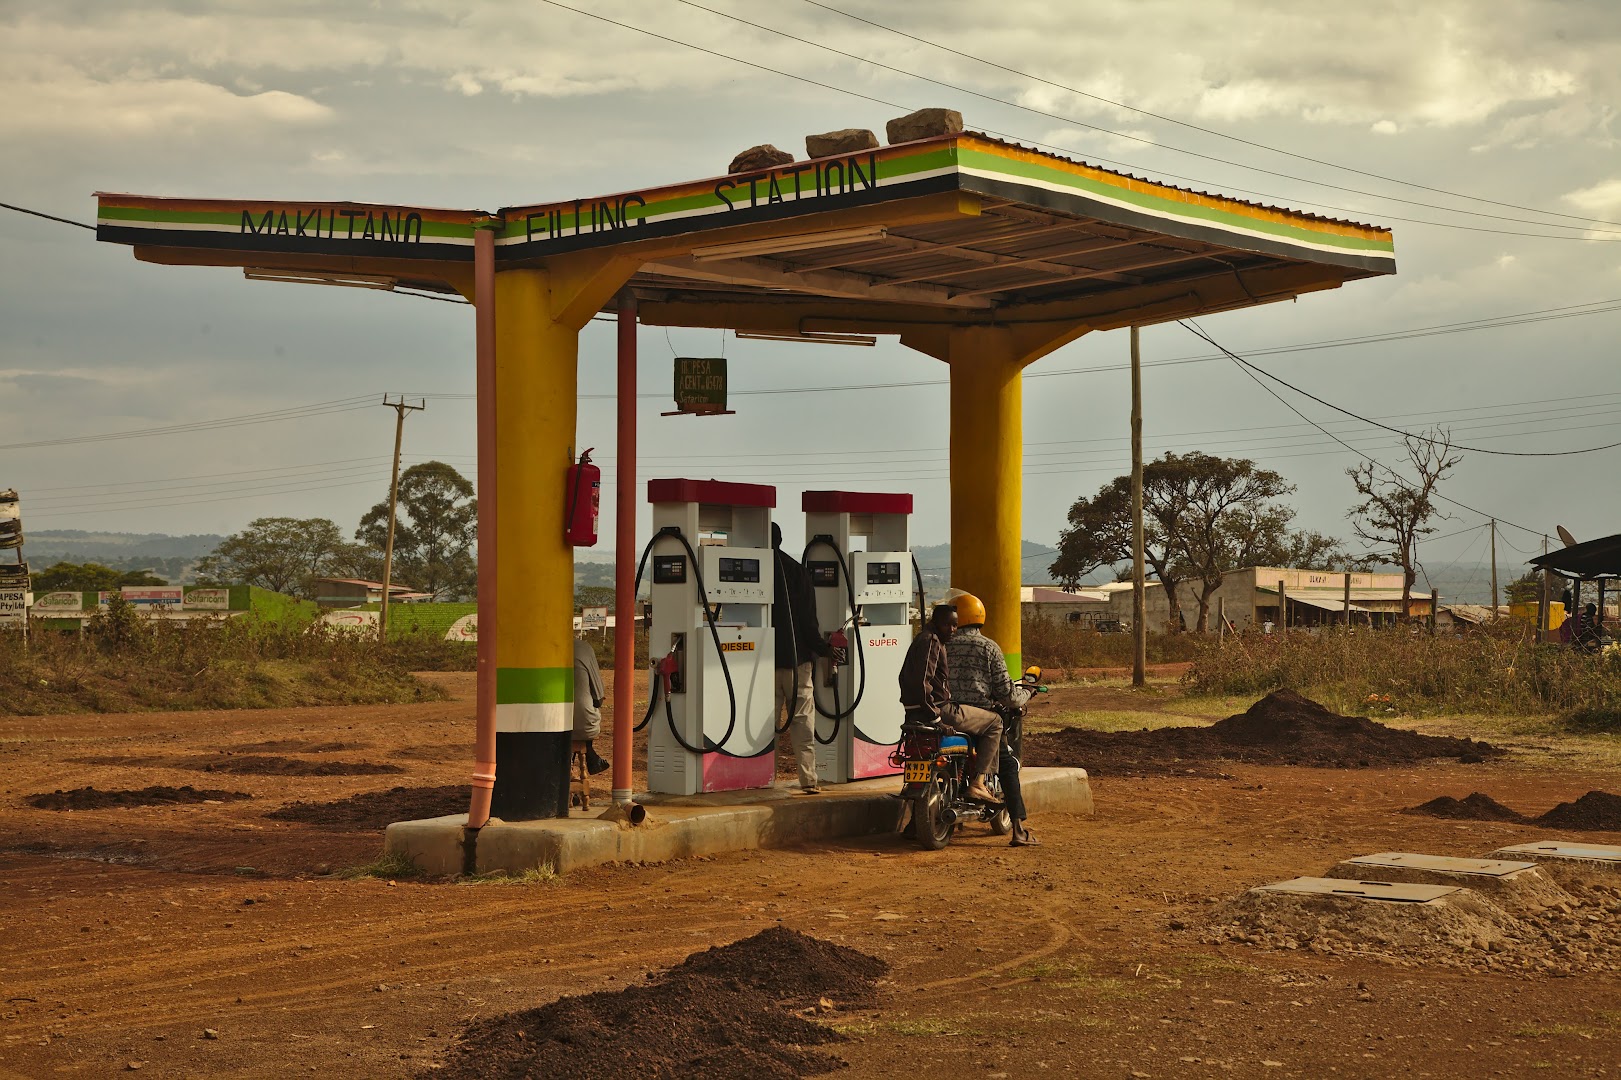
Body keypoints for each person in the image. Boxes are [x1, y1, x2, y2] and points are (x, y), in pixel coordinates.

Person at [944, 592, 1039, 847]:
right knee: (1007, 765)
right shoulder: (988, 647)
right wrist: (1027, 693)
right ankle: (1019, 830)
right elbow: (1007, 694)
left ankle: (913, 824)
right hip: (978, 718)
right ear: (979, 617)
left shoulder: (943, 643)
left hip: (943, 714)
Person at [898, 603, 1002, 805]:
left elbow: (906, 678)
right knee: (995, 722)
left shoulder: (921, 639)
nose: (952, 630)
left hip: (913, 713)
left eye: (955, 625)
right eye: (947, 625)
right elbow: (922, 682)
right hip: (940, 710)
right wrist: (935, 717)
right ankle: (978, 783)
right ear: (935, 623)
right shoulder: (932, 642)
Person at [772, 523, 830, 794]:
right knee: (802, 724)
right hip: (798, 662)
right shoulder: (798, 571)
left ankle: (762, 778)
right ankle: (809, 780)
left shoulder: (753, 571)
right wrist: (825, 648)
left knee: (763, 728)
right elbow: (809, 623)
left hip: (760, 666)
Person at [573, 637, 610, 775]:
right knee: (583, 715)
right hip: (583, 724)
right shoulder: (583, 647)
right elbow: (598, 698)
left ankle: (571, 771)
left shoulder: (543, 648)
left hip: (545, 725)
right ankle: (590, 755)